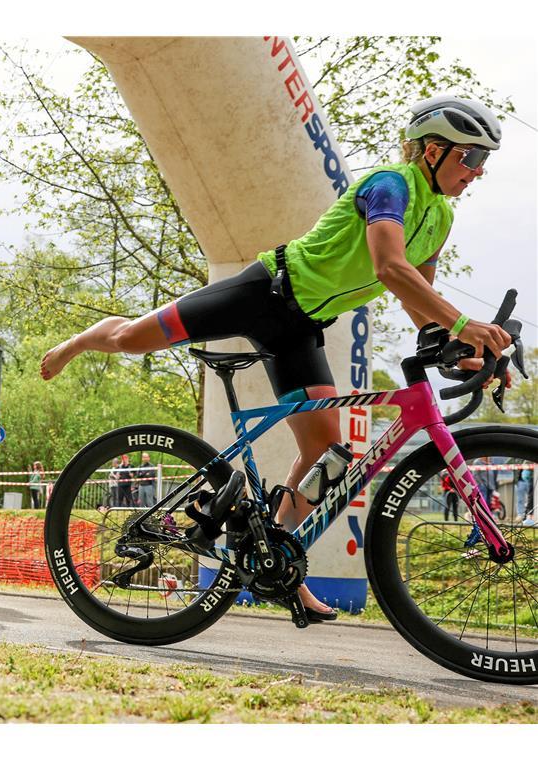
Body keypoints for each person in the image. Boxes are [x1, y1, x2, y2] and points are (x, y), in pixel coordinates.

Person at [40, 96, 512, 622]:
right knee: (132, 339)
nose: (476, 171)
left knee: (331, 453)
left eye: (483, 162)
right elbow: (389, 268)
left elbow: (416, 293)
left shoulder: (440, 217)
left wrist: (458, 347)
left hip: (301, 326)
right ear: (431, 150)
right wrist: (465, 323)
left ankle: (280, 568)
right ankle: (81, 341)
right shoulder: (391, 185)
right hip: (263, 291)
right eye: (469, 157)